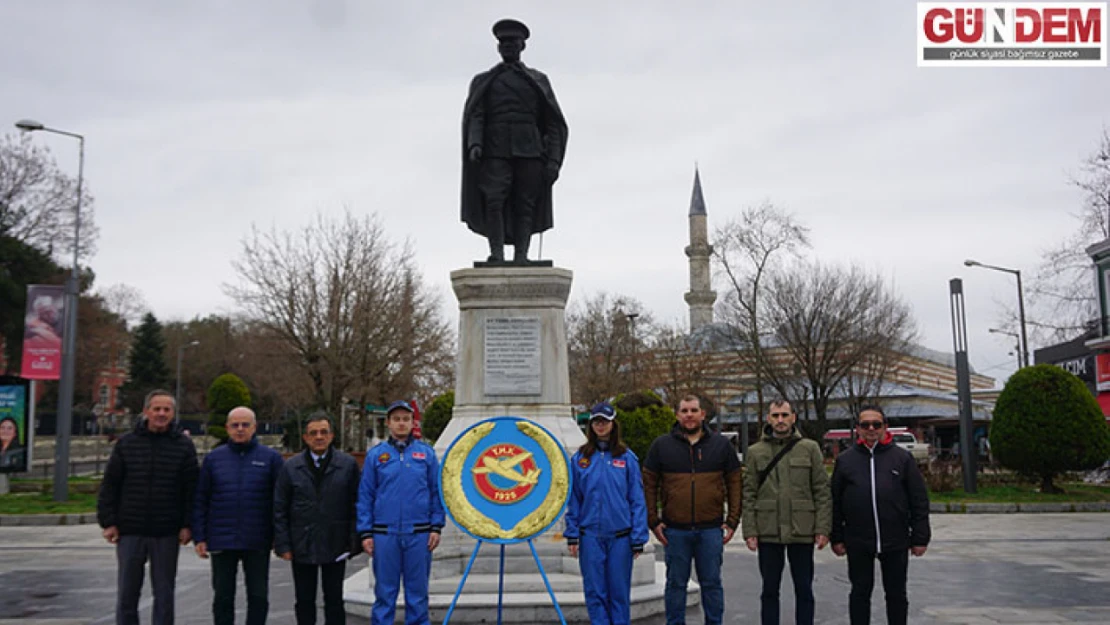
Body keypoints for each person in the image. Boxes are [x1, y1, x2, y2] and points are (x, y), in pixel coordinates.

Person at [460, 17, 569, 264]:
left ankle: (522, 256)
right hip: (494, 148)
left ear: (522, 46)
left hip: (529, 149)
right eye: (503, 43)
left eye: (513, 42)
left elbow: (553, 122)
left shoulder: (537, 80)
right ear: (498, 47)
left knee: (525, 203)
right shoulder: (483, 81)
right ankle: (496, 254)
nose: (508, 46)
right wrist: (474, 143)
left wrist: (553, 160)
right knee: (494, 199)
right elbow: (476, 115)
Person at [97, 389, 199, 625]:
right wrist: (108, 521)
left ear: (173, 414)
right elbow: (110, 484)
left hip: (166, 531)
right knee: (127, 593)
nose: (161, 414)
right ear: (146, 412)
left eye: (167, 410)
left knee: (164, 594)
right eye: (157, 409)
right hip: (130, 529)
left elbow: (191, 490)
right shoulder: (126, 444)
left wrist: (187, 525)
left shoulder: (183, 446)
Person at [642, 394, 742, 625]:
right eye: (684, 411)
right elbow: (648, 483)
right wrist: (653, 521)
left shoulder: (721, 445)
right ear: (677, 414)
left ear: (702, 414)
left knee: (712, 584)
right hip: (675, 531)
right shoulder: (661, 446)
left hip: (710, 530)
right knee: (676, 584)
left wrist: (733, 520)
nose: (689, 415)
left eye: (693, 410)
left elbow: (735, 482)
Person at [830, 405, 931, 625]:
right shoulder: (846, 460)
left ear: (885, 427)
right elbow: (835, 501)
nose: (871, 429)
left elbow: (919, 500)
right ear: (857, 429)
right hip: (858, 540)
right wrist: (836, 536)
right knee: (859, 593)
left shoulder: (902, 459)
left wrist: (920, 537)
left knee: (896, 595)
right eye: (865, 425)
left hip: (895, 539)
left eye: (876, 424)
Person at [741, 398, 831, 625]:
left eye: (784, 415)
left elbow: (821, 490)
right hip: (768, 530)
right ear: (768, 419)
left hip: (802, 529)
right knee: (769, 590)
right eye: (775, 416)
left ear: (793, 417)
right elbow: (749, 493)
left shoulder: (810, 448)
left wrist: (822, 527)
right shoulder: (755, 452)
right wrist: (750, 530)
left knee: (804, 589)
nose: (780, 420)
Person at [192, 406, 284, 625]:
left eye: (245, 425)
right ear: (227, 428)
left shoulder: (271, 459)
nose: (240, 429)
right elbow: (200, 499)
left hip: (258, 539)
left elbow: (280, 501)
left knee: (258, 596)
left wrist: (279, 536)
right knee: (223, 597)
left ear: (255, 427)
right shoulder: (214, 459)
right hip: (222, 539)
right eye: (235, 425)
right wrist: (200, 536)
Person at [358, 400, 445, 625]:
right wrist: (366, 532)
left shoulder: (426, 454)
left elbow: (437, 492)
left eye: (405, 419)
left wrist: (436, 526)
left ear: (413, 422)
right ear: (388, 423)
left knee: (417, 594)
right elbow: (366, 495)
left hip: (419, 534)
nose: (401, 424)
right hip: (385, 534)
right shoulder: (376, 456)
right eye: (396, 419)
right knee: (385, 594)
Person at [565, 401, 649, 625]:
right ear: (591, 425)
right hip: (590, 536)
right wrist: (572, 534)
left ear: (613, 424)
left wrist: (638, 536)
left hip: (620, 537)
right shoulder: (580, 459)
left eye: (605, 421)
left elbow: (637, 499)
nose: (600, 426)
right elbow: (574, 499)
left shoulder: (627, 458)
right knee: (595, 593)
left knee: (619, 594)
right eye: (596, 422)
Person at [274, 412, 360, 625]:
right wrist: (283, 544)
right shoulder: (291, 467)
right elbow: (279, 507)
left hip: (336, 543)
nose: (319, 437)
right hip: (302, 543)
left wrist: (353, 541)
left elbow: (357, 505)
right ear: (305, 437)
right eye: (313, 433)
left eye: (323, 432)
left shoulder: (348, 466)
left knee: (334, 600)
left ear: (332, 436)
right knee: (304, 601)